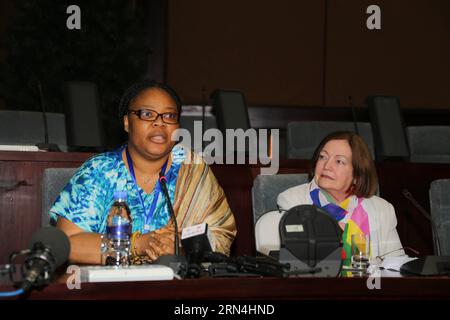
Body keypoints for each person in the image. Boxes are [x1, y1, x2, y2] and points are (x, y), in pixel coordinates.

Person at [49, 80, 237, 264]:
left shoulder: (191, 168)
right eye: (147, 114)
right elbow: (68, 244)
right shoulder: (100, 172)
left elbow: (220, 235)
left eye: (169, 116)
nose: (160, 123)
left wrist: (181, 246)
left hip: (177, 287)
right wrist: (139, 244)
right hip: (108, 289)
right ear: (126, 123)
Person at [277, 131, 404, 265]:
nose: (326, 166)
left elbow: (396, 265)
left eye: (339, 161)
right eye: (323, 157)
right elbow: (294, 263)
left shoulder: (382, 210)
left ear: (357, 175)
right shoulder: (293, 202)